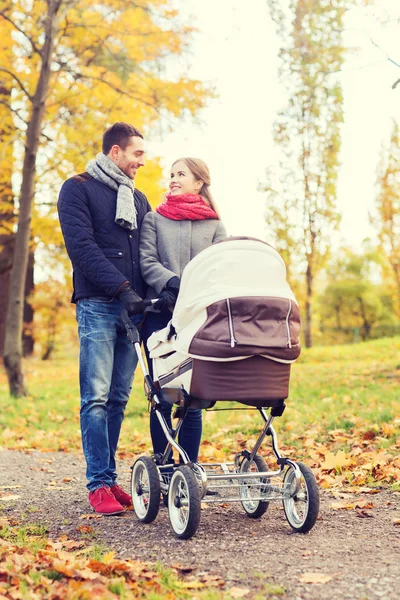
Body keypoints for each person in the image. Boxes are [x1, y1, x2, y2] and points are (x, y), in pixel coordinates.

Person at [58, 122, 151, 515]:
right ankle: (97, 484)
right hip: (98, 303)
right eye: (137, 154)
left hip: (132, 309)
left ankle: (110, 480)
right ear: (116, 152)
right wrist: (121, 288)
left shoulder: (139, 199)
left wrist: (148, 297)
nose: (142, 162)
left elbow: (147, 255)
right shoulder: (77, 189)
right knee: (94, 397)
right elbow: (82, 249)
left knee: (118, 398)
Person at [140, 157, 227, 465]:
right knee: (161, 396)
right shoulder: (154, 219)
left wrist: (196, 293)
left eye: (180, 174)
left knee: (192, 398)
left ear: (199, 182)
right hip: (162, 315)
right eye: (171, 174)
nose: (173, 179)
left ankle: (188, 470)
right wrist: (174, 284)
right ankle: (162, 468)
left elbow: (220, 269)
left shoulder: (215, 226)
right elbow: (146, 261)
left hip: (198, 320)